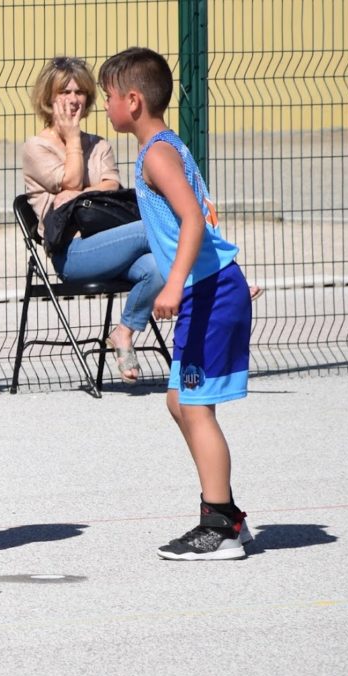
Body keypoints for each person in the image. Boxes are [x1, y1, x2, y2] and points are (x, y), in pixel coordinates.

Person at [98, 47, 252, 560]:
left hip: (208, 292)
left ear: (133, 101)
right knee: (178, 402)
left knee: (194, 407)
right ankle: (227, 513)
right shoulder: (162, 146)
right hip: (209, 288)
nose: (105, 105)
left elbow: (191, 218)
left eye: (108, 96)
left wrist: (174, 284)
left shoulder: (157, 155)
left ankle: (220, 526)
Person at [22, 57, 164, 383]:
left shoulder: (99, 146)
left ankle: (124, 331)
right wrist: (73, 141)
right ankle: (216, 277)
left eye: (80, 92)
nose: (73, 99)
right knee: (150, 228)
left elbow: (111, 186)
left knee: (157, 267)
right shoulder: (36, 148)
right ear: (48, 98)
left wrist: (78, 194)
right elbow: (72, 180)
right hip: (72, 253)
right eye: (64, 92)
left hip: (111, 244)